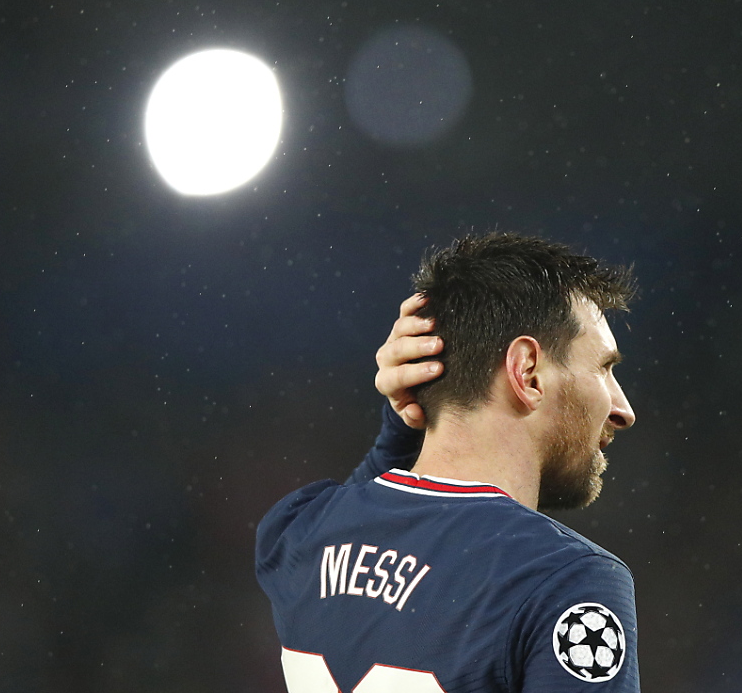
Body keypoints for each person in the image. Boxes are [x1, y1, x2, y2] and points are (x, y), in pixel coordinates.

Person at [256, 232, 640, 692]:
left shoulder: (298, 531)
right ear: (527, 372)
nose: (624, 409)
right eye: (603, 368)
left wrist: (409, 416)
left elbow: (377, 519)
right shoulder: (566, 579)